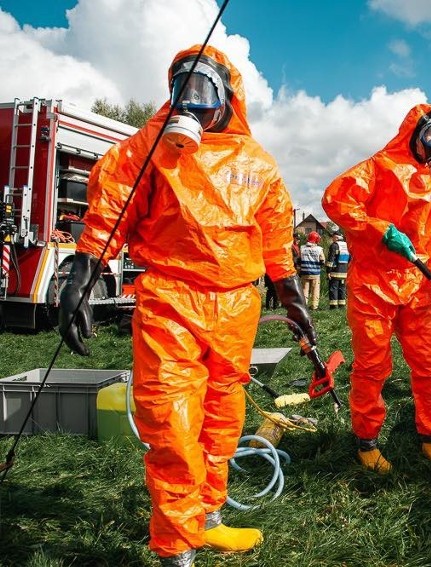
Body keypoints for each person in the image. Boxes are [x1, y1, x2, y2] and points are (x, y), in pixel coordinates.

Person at [58, 45, 318, 566]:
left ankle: (210, 517)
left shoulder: (256, 162)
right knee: (172, 425)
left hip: (237, 307)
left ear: (227, 98)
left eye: (204, 91)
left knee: (222, 416)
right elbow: (110, 208)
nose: (192, 102)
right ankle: (177, 550)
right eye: (183, 88)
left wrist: (290, 296)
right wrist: (82, 273)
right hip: (170, 301)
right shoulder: (146, 149)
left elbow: (274, 235)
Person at [322, 103, 431, 473]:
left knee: (429, 362)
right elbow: (335, 198)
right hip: (373, 283)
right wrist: (380, 230)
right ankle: (366, 440)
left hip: (417, 285)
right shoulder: (379, 167)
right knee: (372, 364)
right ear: (414, 134)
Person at [299, 231, 325, 310]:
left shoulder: (302, 248)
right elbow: (322, 260)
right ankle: (314, 306)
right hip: (315, 273)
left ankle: (304, 305)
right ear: (316, 240)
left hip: (304, 272)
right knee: (315, 289)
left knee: (304, 289)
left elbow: (299, 259)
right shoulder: (319, 249)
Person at [325, 232, 349, 309]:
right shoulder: (346, 245)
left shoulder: (334, 245)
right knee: (342, 288)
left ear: (336, 237)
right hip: (344, 271)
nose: (332, 239)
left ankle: (333, 306)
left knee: (333, 288)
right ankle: (342, 305)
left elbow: (330, 260)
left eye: (333, 237)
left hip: (335, 271)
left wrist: (328, 271)